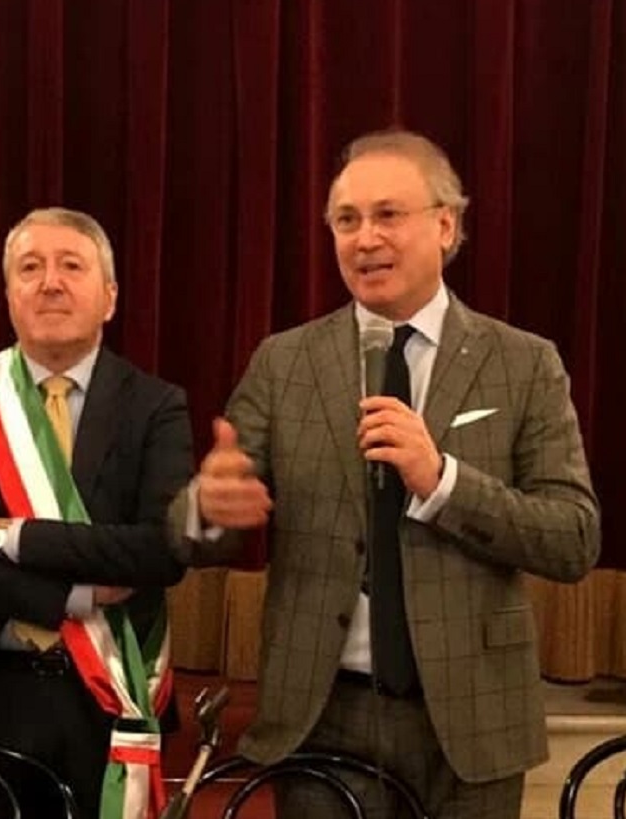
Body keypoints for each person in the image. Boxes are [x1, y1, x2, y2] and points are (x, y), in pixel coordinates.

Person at [168, 129, 600, 819]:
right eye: (347, 220)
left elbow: (573, 538)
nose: (365, 238)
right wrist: (207, 507)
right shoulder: (286, 362)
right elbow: (201, 522)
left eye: (388, 215)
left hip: (473, 716)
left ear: (446, 225)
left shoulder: (523, 363)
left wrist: (443, 481)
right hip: (323, 712)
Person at [0, 207, 194, 819]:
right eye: (30, 268)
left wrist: (12, 537)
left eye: (71, 266)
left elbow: (160, 550)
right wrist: (74, 596)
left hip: (110, 696)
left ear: (110, 297)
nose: (50, 282)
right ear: (9, 294)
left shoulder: (156, 406)